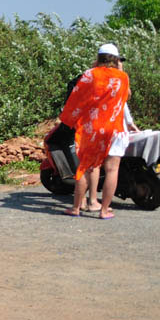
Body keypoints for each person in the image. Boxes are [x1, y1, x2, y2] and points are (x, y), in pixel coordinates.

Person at [59, 43, 130, 219]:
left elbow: (76, 98)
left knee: (86, 167)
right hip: (115, 129)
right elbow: (126, 95)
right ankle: (104, 211)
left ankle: (76, 208)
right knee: (112, 170)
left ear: (98, 58)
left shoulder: (90, 75)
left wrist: (69, 119)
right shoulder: (123, 77)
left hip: (93, 129)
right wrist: (120, 70)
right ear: (116, 59)